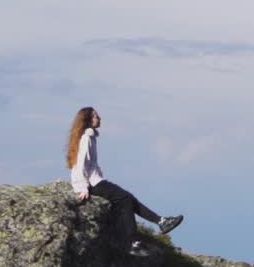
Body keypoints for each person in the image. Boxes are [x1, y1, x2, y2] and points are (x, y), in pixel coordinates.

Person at [67, 106, 183, 256]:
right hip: (91, 183)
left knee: (128, 197)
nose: (99, 118)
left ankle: (161, 222)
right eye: (96, 116)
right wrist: (83, 187)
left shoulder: (90, 136)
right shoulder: (86, 138)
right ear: (88, 120)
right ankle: (133, 242)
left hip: (95, 180)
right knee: (125, 199)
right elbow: (80, 164)